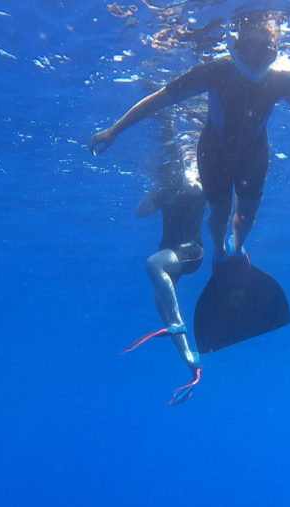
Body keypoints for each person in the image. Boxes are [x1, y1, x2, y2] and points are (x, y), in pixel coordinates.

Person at [89, 8, 290, 262]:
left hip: (253, 156)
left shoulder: (283, 81)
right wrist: (115, 129)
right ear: (236, 43)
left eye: (265, 50)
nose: (256, 58)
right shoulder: (214, 71)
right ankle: (220, 251)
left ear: (275, 50)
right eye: (249, 48)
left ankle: (237, 248)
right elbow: (161, 99)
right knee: (220, 214)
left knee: (247, 216)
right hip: (214, 154)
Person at [119, 99, 206, 406]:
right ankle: (190, 359)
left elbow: (196, 187)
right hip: (170, 252)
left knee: (152, 265)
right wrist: (157, 187)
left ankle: (178, 322)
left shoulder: (195, 184)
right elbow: (140, 212)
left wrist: (189, 171)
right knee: (160, 302)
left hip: (190, 252)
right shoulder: (165, 190)